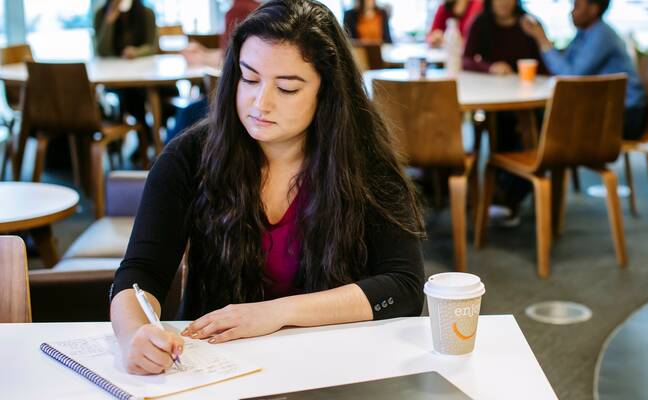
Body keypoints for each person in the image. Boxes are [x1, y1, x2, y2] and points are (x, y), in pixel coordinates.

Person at [110, 0, 425, 375]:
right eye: (250, 78)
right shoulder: (190, 156)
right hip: (212, 368)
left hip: (333, 368)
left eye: (288, 88)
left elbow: (404, 287)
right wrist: (135, 335)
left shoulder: (364, 163)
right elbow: (139, 273)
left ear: (327, 93)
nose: (261, 103)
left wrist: (278, 313)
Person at [463, 0, 548, 225]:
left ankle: (509, 194)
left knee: (529, 130)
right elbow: (466, 59)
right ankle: (502, 190)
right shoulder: (481, 23)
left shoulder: (529, 23)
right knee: (502, 122)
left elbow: (545, 64)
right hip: (493, 98)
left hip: (529, 98)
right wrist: (489, 67)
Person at [527, 0, 647, 140]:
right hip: (605, 109)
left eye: (576, 6)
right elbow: (564, 64)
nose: (571, 11)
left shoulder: (601, 35)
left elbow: (571, 76)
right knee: (541, 116)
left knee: (544, 119)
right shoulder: (584, 33)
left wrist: (542, 39)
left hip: (626, 115)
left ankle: (547, 159)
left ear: (593, 9)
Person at [168, 0, 261, 143]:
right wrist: (204, 54)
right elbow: (230, 54)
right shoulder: (255, 8)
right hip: (241, 96)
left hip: (232, 99)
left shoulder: (238, 11)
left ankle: (162, 161)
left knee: (186, 114)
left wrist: (203, 57)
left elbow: (235, 59)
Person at [93, 0, 158, 161]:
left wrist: (136, 52)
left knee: (139, 94)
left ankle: (144, 138)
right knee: (129, 96)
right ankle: (146, 136)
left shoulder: (146, 13)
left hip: (143, 75)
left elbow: (153, 46)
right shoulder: (101, 13)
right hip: (113, 77)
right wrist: (109, 21)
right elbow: (101, 51)